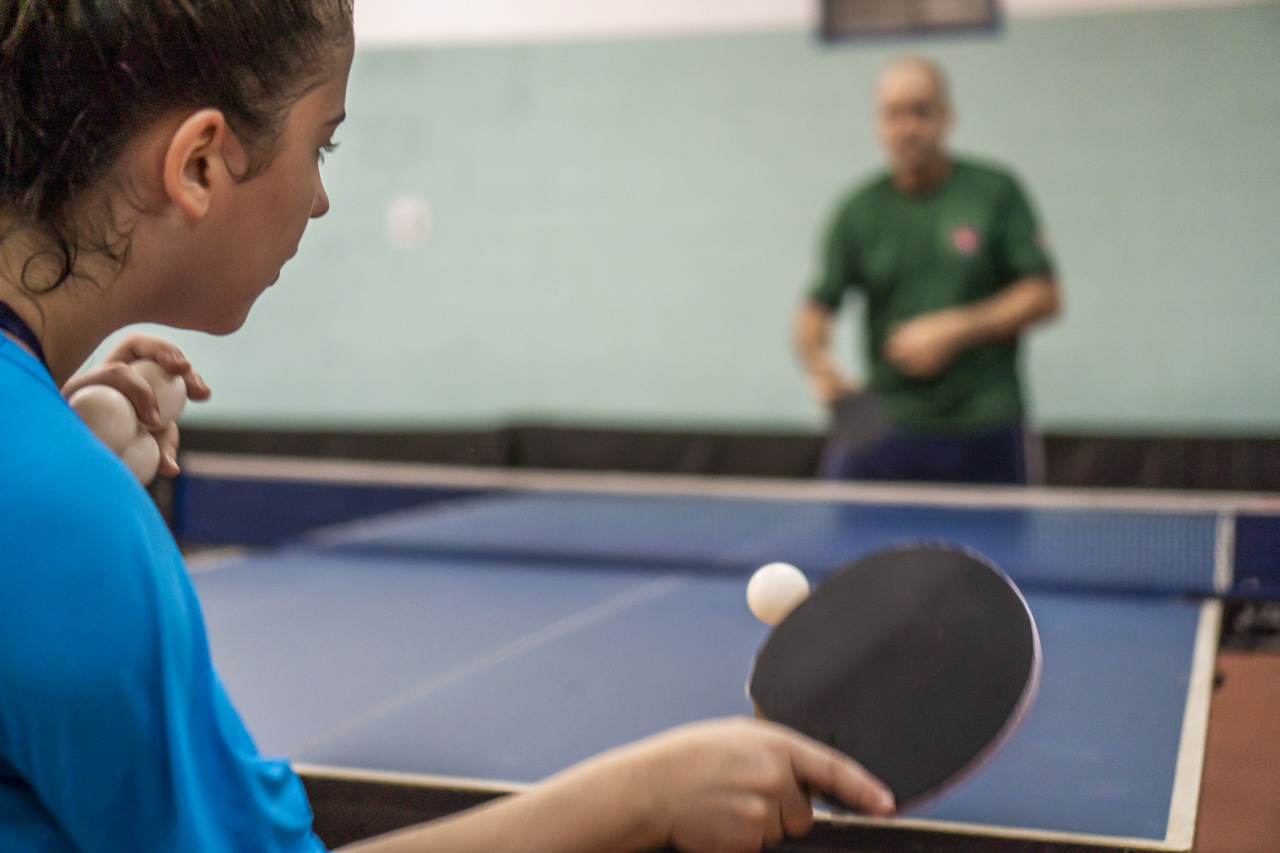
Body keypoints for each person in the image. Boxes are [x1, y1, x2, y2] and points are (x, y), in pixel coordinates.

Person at [0, 3, 894, 852]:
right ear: (199, 164)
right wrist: (647, 794)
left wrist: (49, 423)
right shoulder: (65, 515)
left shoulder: (46, 466)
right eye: (324, 143)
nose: (318, 199)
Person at [794, 57, 1060, 484]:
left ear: (947, 115)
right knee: (838, 540)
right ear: (878, 122)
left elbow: (1044, 296)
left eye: (921, 110)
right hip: (882, 423)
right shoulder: (858, 209)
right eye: (893, 113)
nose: (908, 127)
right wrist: (820, 365)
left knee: (998, 551)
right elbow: (814, 310)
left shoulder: (995, 191)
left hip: (985, 423)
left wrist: (955, 327)